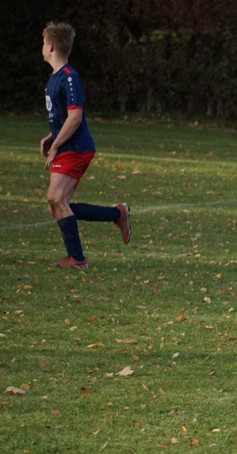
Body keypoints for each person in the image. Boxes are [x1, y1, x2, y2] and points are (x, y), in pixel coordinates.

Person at [41, 21, 131, 270]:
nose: (42, 47)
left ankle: (77, 259)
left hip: (76, 148)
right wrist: (52, 136)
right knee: (58, 206)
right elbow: (63, 117)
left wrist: (56, 145)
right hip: (67, 145)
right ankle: (117, 214)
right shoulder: (55, 78)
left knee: (55, 199)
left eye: (43, 43)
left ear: (50, 46)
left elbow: (75, 117)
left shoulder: (70, 78)